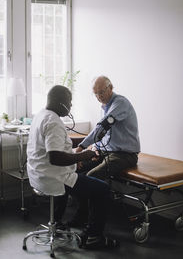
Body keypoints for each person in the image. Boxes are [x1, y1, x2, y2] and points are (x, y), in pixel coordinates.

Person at [26, 85, 118, 249]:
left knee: (84, 178)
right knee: (102, 189)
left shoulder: (41, 115)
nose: (70, 106)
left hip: (39, 175)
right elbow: (56, 157)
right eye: (69, 102)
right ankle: (94, 237)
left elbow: (56, 151)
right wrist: (85, 155)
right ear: (61, 103)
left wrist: (75, 157)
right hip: (55, 178)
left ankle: (62, 222)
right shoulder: (53, 122)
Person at [70, 75, 140, 226]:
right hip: (107, 152)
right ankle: (82, 216)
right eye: (95, 93)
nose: (98, 97)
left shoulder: (120, 103)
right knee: (75, 173)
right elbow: (105, 135)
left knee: (91, 176)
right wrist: (95, 148)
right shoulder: (106, 106)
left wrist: (82, 147)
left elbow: (102, 127)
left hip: (125, 155)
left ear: (111, 88)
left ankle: (93, 224)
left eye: (101, 92)